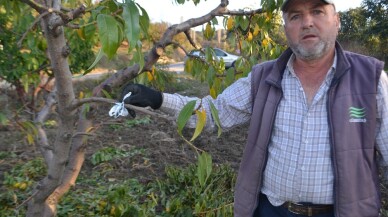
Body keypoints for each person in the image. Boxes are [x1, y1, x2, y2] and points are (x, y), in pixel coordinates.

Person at [119, 0, 387, 216]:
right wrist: (158, 99)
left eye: (317, 11)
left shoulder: (372, 79)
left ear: (336, 20)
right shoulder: (263, 78)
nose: (307, 22)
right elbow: (214, 112)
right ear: (285, 29)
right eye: (295, 16)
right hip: (272, 211)